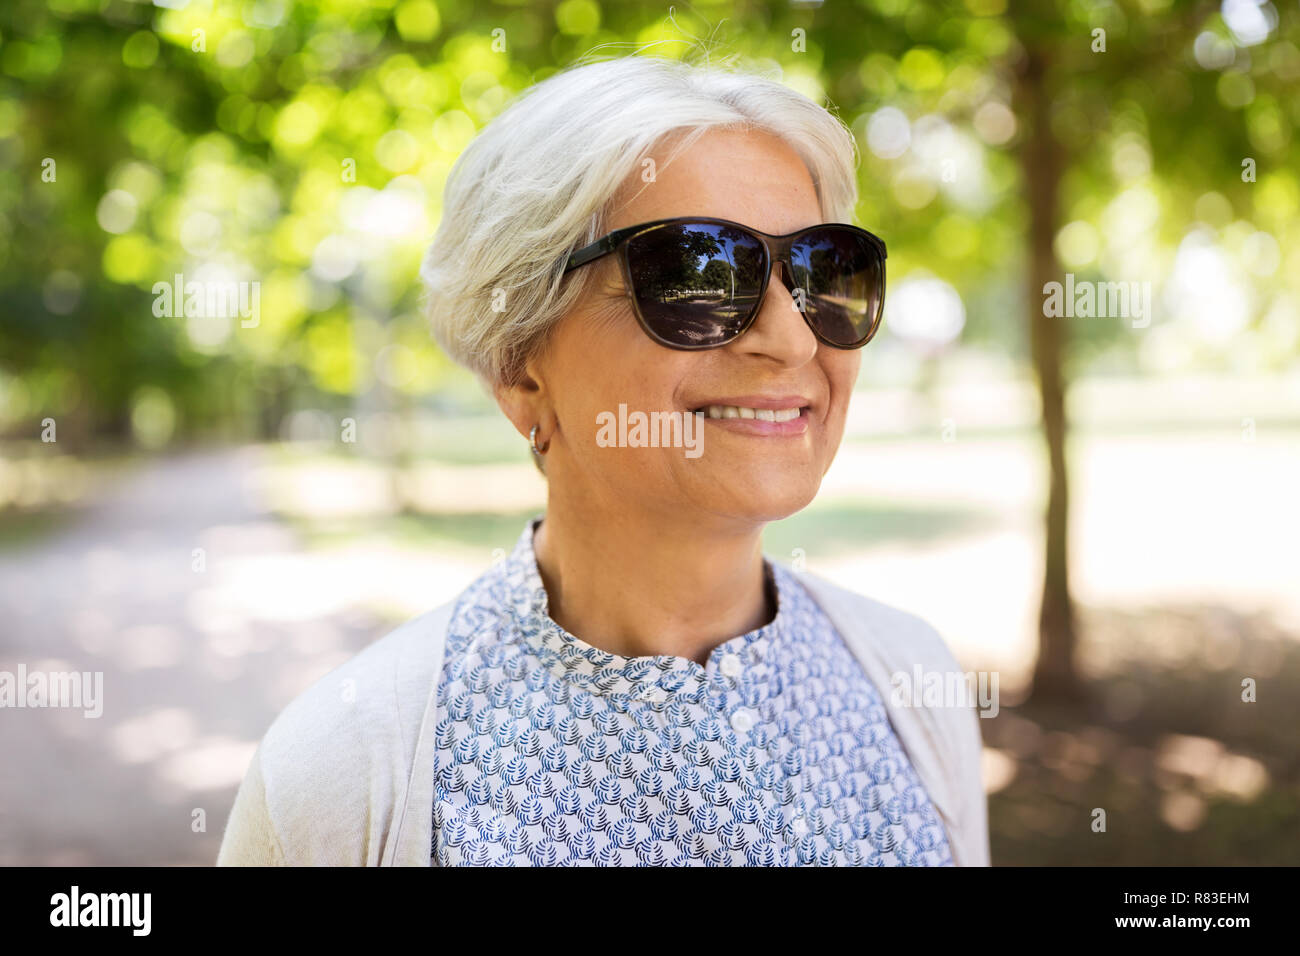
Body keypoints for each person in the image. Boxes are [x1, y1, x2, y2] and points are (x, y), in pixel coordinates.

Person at [217, 52, 989, 867]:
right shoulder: (342, 773)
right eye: (698, 277)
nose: (793, 337)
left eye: (824, 271)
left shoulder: (912, 682)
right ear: (519, 367)